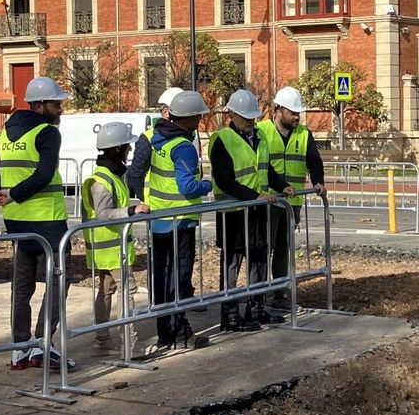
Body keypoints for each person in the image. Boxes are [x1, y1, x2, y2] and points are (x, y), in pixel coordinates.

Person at [0, 76, 76, 372]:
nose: (61, 110)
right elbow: (43, 175)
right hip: (48, 222)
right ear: (40, 106)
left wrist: (9, 196)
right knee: (58, 281)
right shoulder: (47, 132)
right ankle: (43, 343)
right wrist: (15, 194)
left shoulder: (6, 133)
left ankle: (19, 348)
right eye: (57, 104)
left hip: (16, 222)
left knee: (22, 286)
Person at [210, 89, 294, 331]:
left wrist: (282, 185)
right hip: (233, 212)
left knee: (259, 259)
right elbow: (225, 180)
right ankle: (230, 314)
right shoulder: (221, 139)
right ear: (232, 114)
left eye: (252, 117)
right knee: (232, 263)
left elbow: (266, 170)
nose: (250, 121)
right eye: (245, 117)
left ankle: (256, 308)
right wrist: (254, 196)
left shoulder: (259, 137)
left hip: (257, 210)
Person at [144, 90, 214, 355]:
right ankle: (178, 329)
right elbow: (188, 186)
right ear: (189, 118)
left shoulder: (158, 138)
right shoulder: (183, 146)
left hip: (161, 218)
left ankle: (166, 330)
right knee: (178, 276)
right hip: (180, 220)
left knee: (162, 277)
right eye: (198, 116)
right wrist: (209, 184)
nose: (200, 120)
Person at [256, 86, 327, 312]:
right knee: (262, 248)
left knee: (283, 249)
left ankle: (279, 293)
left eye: (299, 113)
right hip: (267, 200)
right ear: (278, 110)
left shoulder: (303, 134)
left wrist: (318, 181)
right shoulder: (261, 131)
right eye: (292, 112)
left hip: (291, 203)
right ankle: (257, 295)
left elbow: (314, 161)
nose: (297, 117)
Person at [82, 121, 148, 354]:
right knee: (126, 291)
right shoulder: (102, 180)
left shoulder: (110, 175)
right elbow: (103, 214)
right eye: (126, 146)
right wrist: (132, 210)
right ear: (118, 148)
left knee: (105, 291)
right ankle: (129, 344)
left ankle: (102, 340)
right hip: (111, 248)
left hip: (106, 248)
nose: (129, 150)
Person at [126, 87, 183, 200]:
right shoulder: (148, 137)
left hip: (186, 209)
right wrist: (145, 199)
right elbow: (136, 173)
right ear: (166, 112)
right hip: (157, 208)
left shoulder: (185, 137)